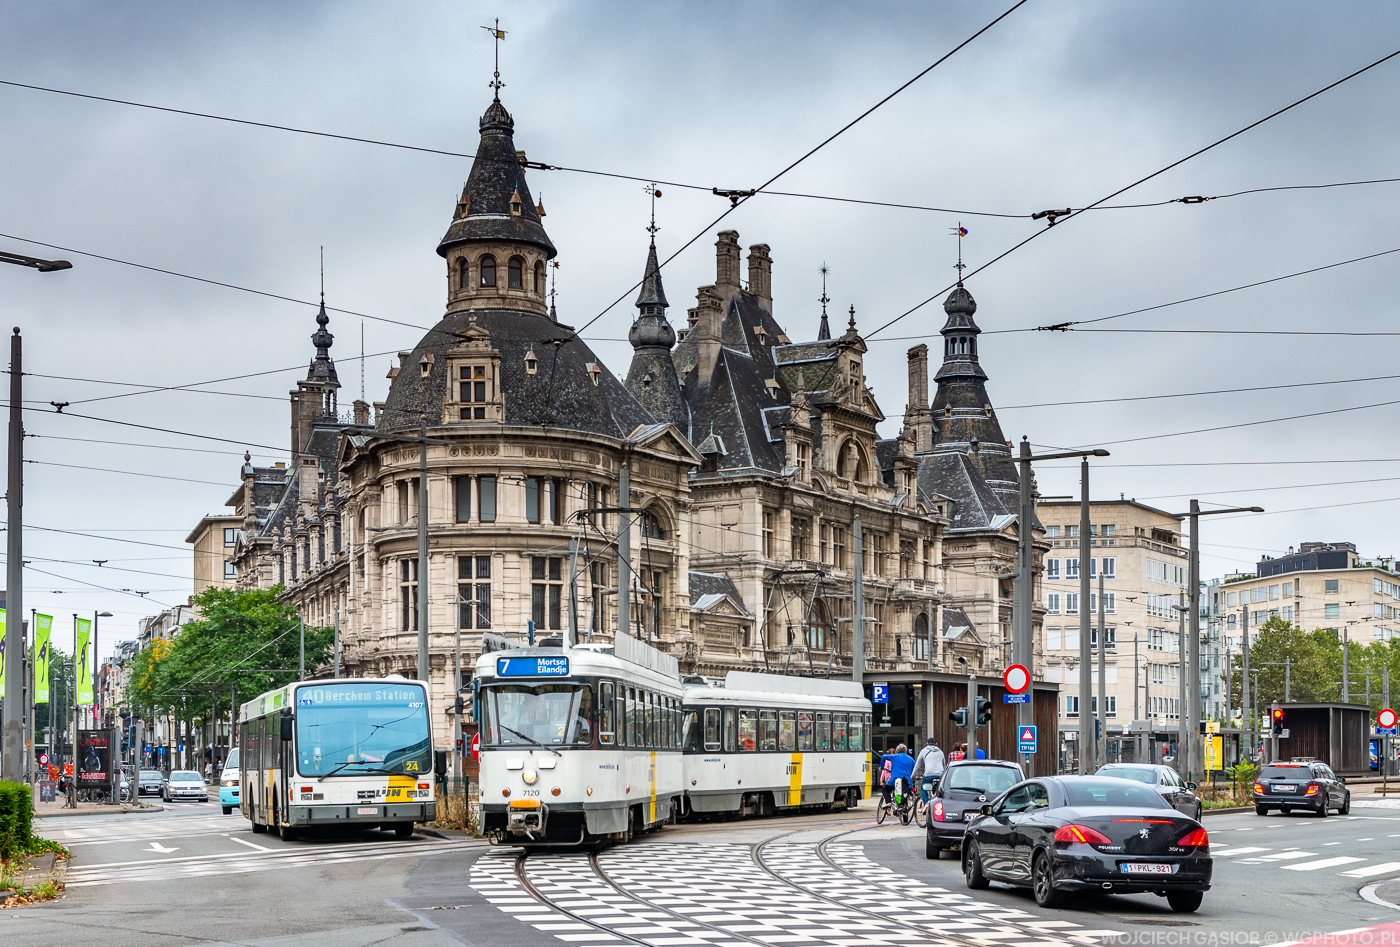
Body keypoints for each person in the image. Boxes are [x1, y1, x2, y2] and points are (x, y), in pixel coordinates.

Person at [879, 743, 915, 808]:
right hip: (907, 782)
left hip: (895, 780)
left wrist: (882, 767)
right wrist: (913, 775)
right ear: (905, 751)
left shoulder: (895, 757)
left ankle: (889, 802)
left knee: (885, 790)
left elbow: (884, 756)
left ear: (897, 751)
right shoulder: (910, 759)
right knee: (906, 792)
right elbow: (916, 767)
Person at [912, 737, 946, 804]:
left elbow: (917, 765)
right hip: (940, 775)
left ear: (927, 743)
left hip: (928, 774)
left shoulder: (923, 751)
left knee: (923, 788)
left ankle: (926, 804)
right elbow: (944, 765)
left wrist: (913, 775)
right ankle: (937, 804)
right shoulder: (941, 752)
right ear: (936, 744)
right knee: (938, 790)